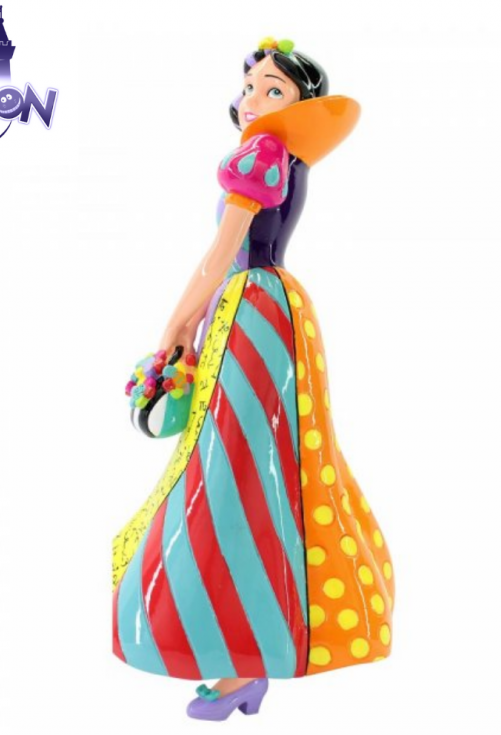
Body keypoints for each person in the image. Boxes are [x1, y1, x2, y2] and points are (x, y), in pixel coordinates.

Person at [112, 37, 395, 721]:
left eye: (273, 90)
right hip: (256, 309)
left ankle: (246, 652)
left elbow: (219, 255)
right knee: (249, 466)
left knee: (236, 469)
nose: (253, 100)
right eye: (249, 88)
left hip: (251, 310)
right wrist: (197, 323)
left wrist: (174, 325)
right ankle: (248, 648)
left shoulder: (265, 153)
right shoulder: (279, 157)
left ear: (299, 106)